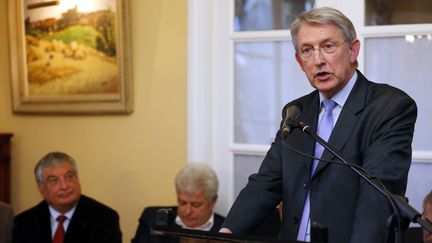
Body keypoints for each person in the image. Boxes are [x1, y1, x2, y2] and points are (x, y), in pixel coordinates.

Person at [220, 7, 417, 243]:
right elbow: (265, 184)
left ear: (353, 50)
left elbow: (377, 199)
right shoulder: (296, 112)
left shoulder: (389, 107)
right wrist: (226, 233)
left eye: (328, 46)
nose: (318, 60)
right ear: (299, 61)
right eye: (307, 50)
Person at [12, 151, 122, 243]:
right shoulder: (24, 223)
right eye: (54, 180)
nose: (64, 186)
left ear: (77, 179)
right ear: (41, 189)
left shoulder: (104, 219)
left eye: (69, 177)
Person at [132, 163, 225, 243]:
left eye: (196, 205)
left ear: (213, 201)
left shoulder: (227, 231)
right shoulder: (152, 220)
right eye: (182, 203)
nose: (187, 211)